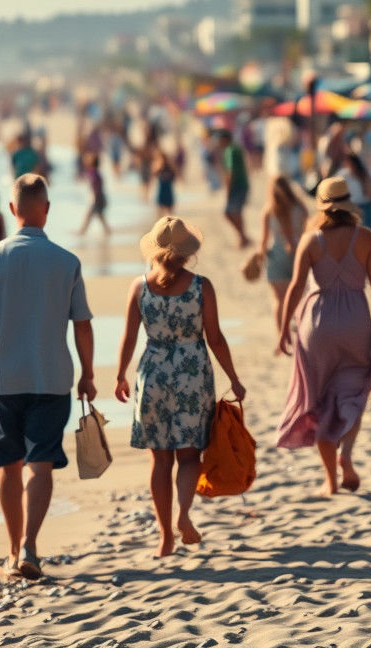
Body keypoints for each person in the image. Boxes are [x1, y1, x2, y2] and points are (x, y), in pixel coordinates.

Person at [0, 174, 96, 581]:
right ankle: (30, 546)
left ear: (12, 210)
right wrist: (89, 373)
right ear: (47, 209)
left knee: (9, 465)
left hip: (5, 378)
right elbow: (82, 325)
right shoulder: (66, 261)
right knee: (40, 465)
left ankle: (10, 549)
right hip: (53, 377)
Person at [115, 217, 245, 558]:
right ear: (187, 254)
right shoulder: (201, 287)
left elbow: (129, 337)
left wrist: (120, 376)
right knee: (189, 456)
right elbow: (214, 337)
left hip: (153, 371)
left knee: (159, 461)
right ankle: (184, 515)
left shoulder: (139, 287)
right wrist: (233, 377)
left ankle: (164, 538)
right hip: (191, 373)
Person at [276, 177, 371, 496]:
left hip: (318, 323)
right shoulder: (365, 238)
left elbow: (296, 286)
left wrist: (284, 326)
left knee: (321, 398)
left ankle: (329, 480)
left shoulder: (312, 240)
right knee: (354, 391)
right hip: (356, 319)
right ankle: (347, 456)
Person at [258, 175, 308, 333]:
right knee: (298, 298)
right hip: (299, 254)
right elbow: (308, 232)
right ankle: (299, 331)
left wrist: (257, 257)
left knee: (279, 300)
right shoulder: (300, 207)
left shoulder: (268, 211)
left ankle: (282, 336)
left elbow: (263, 242)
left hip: (276, 256)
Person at [218, 129, 250, 249]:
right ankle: (242, 237)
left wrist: (228, 188)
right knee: (236, 212)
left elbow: (230, 171)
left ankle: (242, 236)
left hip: (237, 186)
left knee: (229, 213)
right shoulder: (235, 148)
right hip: (242, 185)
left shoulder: (230, 150)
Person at [337, 153, 371, 231]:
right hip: (352, 207)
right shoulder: (343, 175)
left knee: (369, 231)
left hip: (366, 206)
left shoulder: (365, 174)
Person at [77, 151, 110, 236]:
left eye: (87, 159)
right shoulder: (95, 173)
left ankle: (81, 232)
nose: (85, 160)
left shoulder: (93, 173)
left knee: (89, 216)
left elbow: (95, 186)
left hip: (96, 198)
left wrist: (94, 198)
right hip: (100, 197)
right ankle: (107, 231)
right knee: (100, 216)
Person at [153, 150, 177, 217]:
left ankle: (169, 220)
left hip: (167, 188)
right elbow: (154, 174)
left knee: (169, 207)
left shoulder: (169, 166)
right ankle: (161, 220)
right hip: (162, 188)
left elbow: (173, 175)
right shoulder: (158, 166)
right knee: (160, 207)